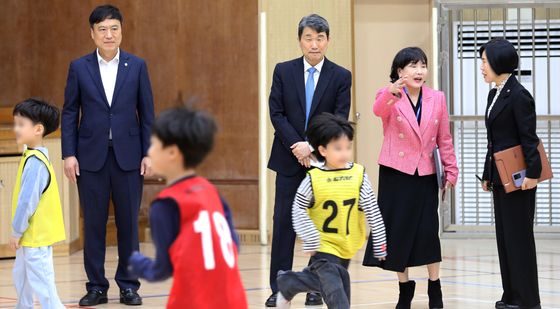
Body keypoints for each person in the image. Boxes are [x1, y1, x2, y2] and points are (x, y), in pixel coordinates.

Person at [61, 4, 155, 306]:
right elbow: (70, 112)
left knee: (129, 224)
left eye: (114, 28)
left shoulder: (137, 66)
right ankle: (96, 286)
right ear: (92, 34)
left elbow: (147, 113)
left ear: (121, 31)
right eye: (102, 29)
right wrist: (68, 154)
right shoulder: (79, 67)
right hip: (90, 159)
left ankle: (128, 285)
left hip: (129, 156)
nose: (108, 34)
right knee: (94, 225)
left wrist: (148, 152)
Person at [266, 13, 351, 307]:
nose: (314, 44)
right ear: (300, 40)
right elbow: (276, 112)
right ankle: (278, 288)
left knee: (322, 228)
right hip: (289, 160)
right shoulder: (283, 70)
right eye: (308, 38)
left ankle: (318, 288)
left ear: (327, 40)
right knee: (284, 223)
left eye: (320, 38)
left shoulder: (341, 76)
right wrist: (296, 145)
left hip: (323, 164)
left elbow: (338, 118)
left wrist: (312, 147)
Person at [127, 106, 248, 309]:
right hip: (234, 300)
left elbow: (162, 270)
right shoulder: (212, 192)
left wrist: (138, 264)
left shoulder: (165, 205)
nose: (148, 150)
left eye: (153, 145)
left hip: (193, 301)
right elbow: (234, 245)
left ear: (172, 152)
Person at [367, 47, 458, 309]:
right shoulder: (389, 96)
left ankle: (435, 286)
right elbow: (376, 111)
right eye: (412, 66)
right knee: (397, 232)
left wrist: (451, 170)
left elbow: (444, 138)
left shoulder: (437, 98)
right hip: (396, 173)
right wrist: (390, 94)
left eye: (423, 66)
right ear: (399, 71)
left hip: (426, 173)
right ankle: (404, 287)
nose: (419, 71)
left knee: (428, 231)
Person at [274, 113, 386, 309]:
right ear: (323, 150)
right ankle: (291, 283)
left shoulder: (359, 174)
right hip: (323, 247)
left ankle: (288, 283)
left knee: (329, 283)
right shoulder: (313, 178)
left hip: (346, 244)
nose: (345, 153)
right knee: (336, 293)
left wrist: (380, 242)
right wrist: (310, 237)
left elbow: (372, 208)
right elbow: (298, 208)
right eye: (338, 148)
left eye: (348, 147)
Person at [479, 38, 541, 309]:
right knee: (505, 239)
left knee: (520, 241)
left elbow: (529, 139)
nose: (481, 67)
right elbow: (495, 140)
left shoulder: (519, 95)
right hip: (500, 177)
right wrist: (486, 174)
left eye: (484, 61)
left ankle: (527, 301)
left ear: (498, 62)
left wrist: (533, 174)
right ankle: (511, 296)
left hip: (520, 179)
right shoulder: (495, 94)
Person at [10, 98, 66, 309]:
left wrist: (16, 230)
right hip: (29, 237)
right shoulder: (30, 156)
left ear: (38, 129)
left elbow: (27, 203)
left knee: (44, 286)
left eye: (20, 124)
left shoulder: (35, 163)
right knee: (21, 279)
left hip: (36, 237)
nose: (15, 128)